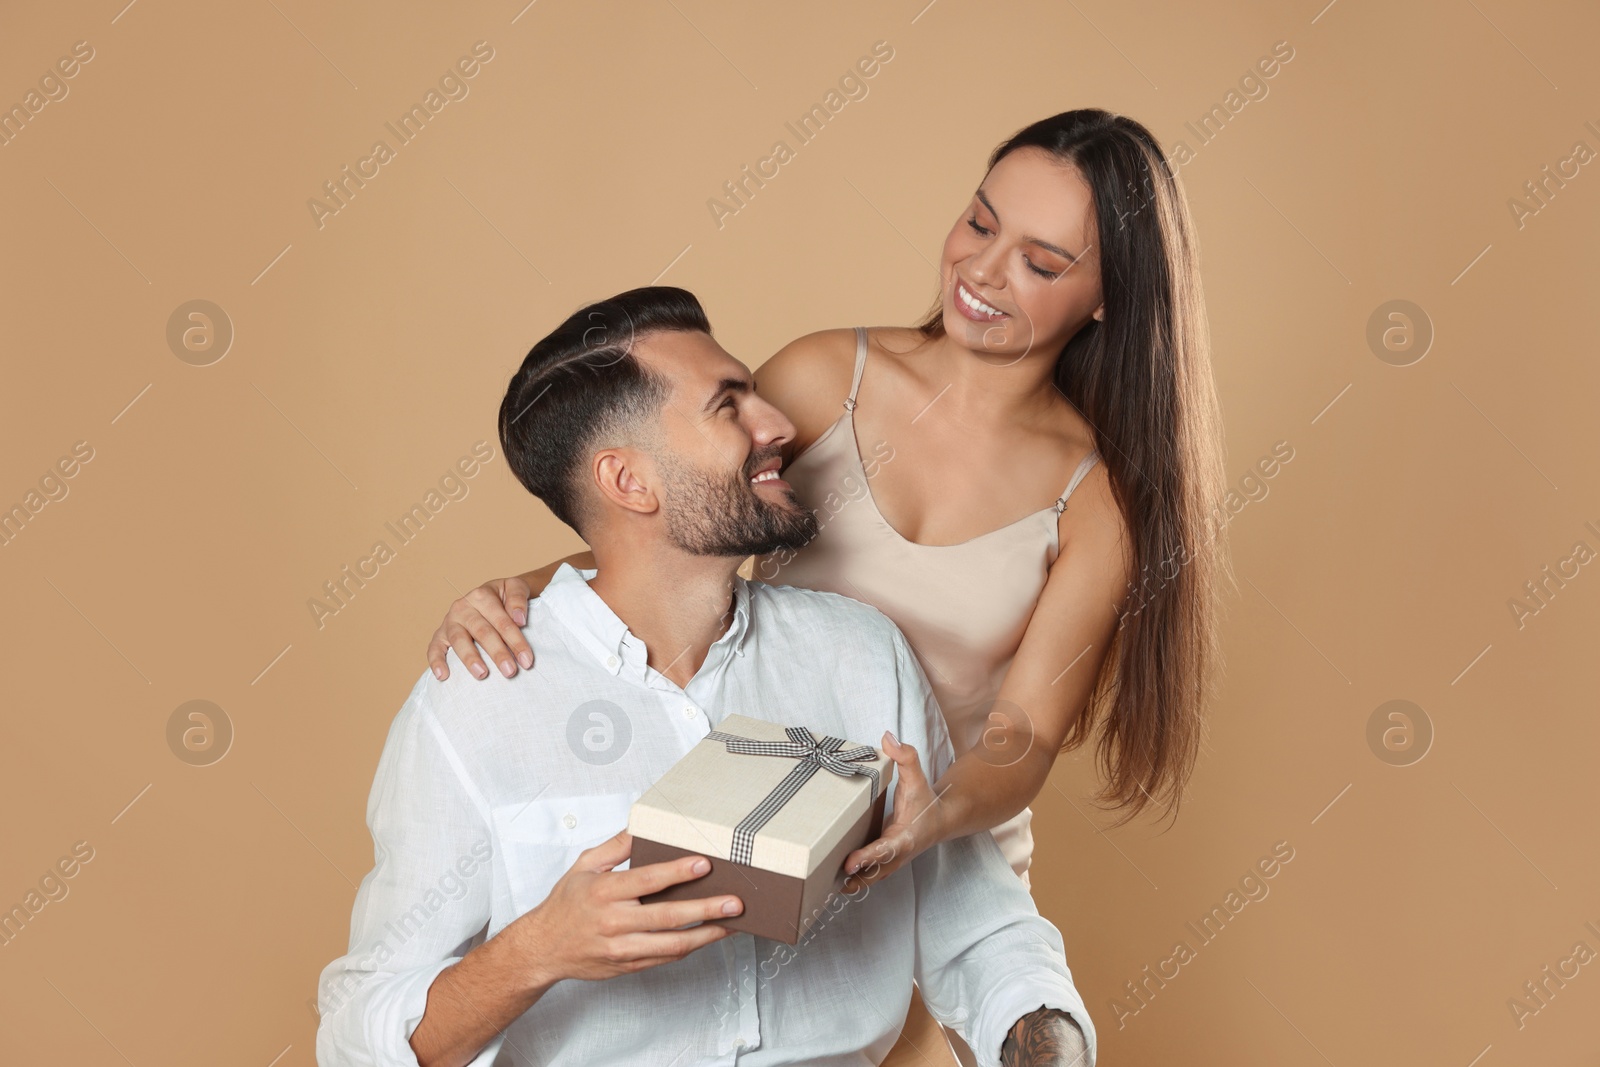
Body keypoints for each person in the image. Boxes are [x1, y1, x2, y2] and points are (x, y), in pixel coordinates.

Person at [421, 109, 1227, 1065]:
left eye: (1042, 264)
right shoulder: (823, 376)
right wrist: (515, 588)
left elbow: (1027, 732)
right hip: (758, 806)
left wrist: (937, 809)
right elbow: (673, 518)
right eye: (979, 223)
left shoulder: (1092, 503)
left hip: (937, 852)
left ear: (1106, 298)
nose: (982, 271)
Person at [316, 286, 1096, 1067]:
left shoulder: (861, 656)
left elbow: (986, 933)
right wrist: (536, 952)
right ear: (629, 483)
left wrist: (1048, 1042)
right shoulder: (478, 699)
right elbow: (358, 1036)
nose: (780, 426)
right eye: (729, 407)